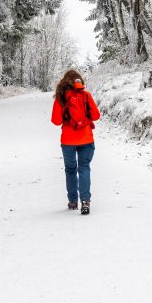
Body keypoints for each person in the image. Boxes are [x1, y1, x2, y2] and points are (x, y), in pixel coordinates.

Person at [51, 69, 101, 215]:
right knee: (84, 168)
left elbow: (56, 120)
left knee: (71, 170)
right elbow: (96, 116)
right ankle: (85, 201)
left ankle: (73, 201)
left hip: (68, 140)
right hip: (86, 138)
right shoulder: (86, 95)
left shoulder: (61, 98)